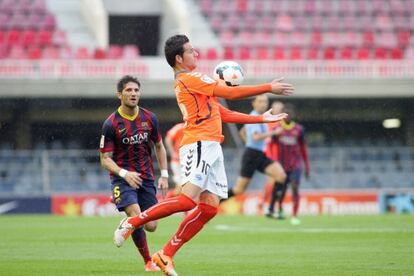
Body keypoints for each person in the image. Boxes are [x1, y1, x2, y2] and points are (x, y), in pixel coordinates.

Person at [113, 34, 294, 276]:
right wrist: (268, 87)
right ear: (179, 58)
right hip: (198, 142)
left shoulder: (193, 82)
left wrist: (260, 118)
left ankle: (165, 255)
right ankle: (133, 222)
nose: (195, 54)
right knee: (187, 200)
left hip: (212, 145)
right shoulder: (189, 78)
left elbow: (220, 112)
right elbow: (229, 95)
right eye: (190, 51)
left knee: (210, 207)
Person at [99, 75, 169, 272]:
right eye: (129, 90)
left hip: (146, 177)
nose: (133, 94)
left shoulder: (149, 118)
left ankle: (127, 222)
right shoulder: (111, 124)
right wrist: (123, 173)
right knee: (137, 217)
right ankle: (148, 261)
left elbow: (159, 145)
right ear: (119, 94)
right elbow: (105, 159)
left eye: (136, 90)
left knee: (152, 225)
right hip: (122, 179)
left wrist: (164, 174)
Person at [224, 96, 286, 205]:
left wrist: (248, 142)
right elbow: (256, 137)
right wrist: (273, 133)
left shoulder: (261, 117)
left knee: (281, 175)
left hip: (260, 154)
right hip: (251, 155)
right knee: (239, 190)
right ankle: (214, 202)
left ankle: (272, 209)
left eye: (265, 101)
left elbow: (242, 131)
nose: (263, 104)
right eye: (260, 101)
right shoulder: (254, 117)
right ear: (253, 103)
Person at [266, 103, 310, 225]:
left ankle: (295, 215)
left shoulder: (299, 130)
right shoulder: (277, 130)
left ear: (293, 115)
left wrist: (307, 167)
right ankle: (279, 208)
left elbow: (303, 149)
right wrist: (272, 161)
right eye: (286, 113)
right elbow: (270, 145)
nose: (288, 115)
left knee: (295, 188)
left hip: (295, 165)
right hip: (281, 165)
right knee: (282, 190)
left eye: (290, 113)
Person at [164, 122, 185, 197]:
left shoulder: (196, 129)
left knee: (185, 188)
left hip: (190, 161)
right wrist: (172, 152)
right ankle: (167, 201)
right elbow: (168, 138)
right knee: (181, 186)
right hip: (178, 161)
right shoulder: (180, 127)